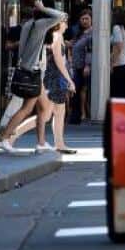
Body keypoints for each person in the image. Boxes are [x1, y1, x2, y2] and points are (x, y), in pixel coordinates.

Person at [0, 1, 66, 154]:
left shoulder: (29, 24)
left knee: (44, 108)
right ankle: (5, 138)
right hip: (32, 73)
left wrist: (42, 9)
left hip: (31, 71)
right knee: (27, 109)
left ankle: (41, 143)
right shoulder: (40, 25)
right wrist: (44, 8)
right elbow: (61, 16)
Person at [39, 20, 77, 154]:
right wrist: (69, 80)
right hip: (54, 79)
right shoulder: (57, 36)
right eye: (64, 22)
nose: (66, 25)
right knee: (46, 114)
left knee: (59, 112)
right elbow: (59, 62)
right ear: (58, 24)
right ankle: (11, 136)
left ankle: (60, 144)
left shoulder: (56, 36)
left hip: (55, 78)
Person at [69, 17, 92, 125]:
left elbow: (89, 51)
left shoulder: (91, 33)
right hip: (77, 66)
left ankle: (81, 115)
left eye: (87, 18)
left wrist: (87, 65)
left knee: (80, 90)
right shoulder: (80, 33)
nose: (84, 21)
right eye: (82, 19)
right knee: (77, 91)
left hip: (84, 67)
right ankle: (77, 115)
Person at [109, 10, 125, 98]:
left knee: (118, 94)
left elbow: (118, 47)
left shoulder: (116, 28)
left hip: (120, 66)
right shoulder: (124, 28)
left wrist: (112, 64)